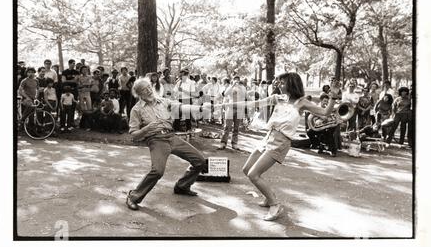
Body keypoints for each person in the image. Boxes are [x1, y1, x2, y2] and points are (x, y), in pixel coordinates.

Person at [220, 72, 341, 221]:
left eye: (282, 82)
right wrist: (227, 104)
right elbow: (253, 104)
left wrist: (333, 97)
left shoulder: (301, 103)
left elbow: (325, 113)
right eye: (278, 82)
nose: (278, 85)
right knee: (247, 169)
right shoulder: (278, 98)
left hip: (281, 141)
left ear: (291, 84)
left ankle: (275, 205)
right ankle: (268, 196)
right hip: (268, 137)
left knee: (253, 174)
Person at [125, 78, 208, 211]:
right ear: (139, 94)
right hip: (156, 140)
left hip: (171, 136)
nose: (148, 90)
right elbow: (134, 134)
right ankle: (133, 196)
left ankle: (182, 186)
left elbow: (181, 107)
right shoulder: (136, 110)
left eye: (149, 86)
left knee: (200, 161)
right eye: (144, 89)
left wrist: (200, 108)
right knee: (157, 171)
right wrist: (146, 129)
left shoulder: (164, 101)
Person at [219, 75, 246, 150]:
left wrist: (240, 87)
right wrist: (233, 85)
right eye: (235, 80)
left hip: (239, 109)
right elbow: (225, 94)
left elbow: (244, 95)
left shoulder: (242, 87)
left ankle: (234, 143)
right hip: (230, 108)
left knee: (236, 127)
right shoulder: (230, 87)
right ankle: (223, 143)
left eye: (238, 80)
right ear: (233, 80)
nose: (236, 81)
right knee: (227, 126)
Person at [62, 59, 80, 128]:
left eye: (74, 63)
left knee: (73, 107)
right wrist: (72, 80)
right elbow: (63, 81)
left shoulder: (76, 72)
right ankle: (63, 123)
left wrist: (68, 81)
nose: (74, 65)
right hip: (66, 91)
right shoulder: (64, 72)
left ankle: (71, 122)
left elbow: (76, 81)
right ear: (69, 64)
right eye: (72, 63)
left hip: (74, 91)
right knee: (65, 106)